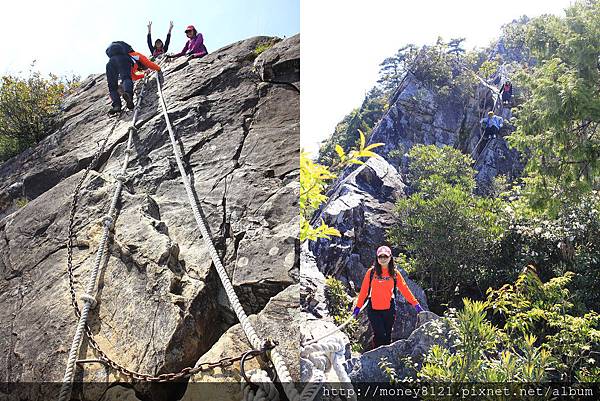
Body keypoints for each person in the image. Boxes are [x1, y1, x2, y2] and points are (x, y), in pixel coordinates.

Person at [352, 246, 423, 348]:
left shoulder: (395, 273)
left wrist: (416, 304)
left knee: (387, 336)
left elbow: (405, 290)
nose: (383, 258)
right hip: (373, 309)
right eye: (380, 256)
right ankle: (375, 353)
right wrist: (358, 307)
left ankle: (385, 359)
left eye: (385, 256)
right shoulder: (371, 272)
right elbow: (363, 291)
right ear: (377, 258)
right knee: (380, 334)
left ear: (390, 257)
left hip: (389, 309)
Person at [105, 41, 161, 115]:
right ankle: (128, 94)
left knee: (112, 86)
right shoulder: (135, 55)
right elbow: (148, 63)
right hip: (123, 60)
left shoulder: (129, 59)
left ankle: (116, 106)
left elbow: (134, 77)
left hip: (110, 62)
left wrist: (143, 74)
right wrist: (158, 68)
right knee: (126, 78)